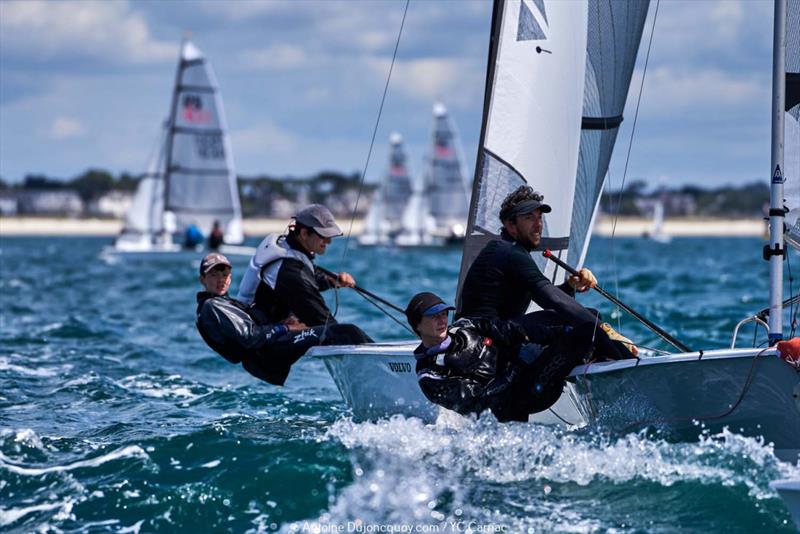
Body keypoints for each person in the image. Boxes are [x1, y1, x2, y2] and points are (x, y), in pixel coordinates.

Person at [407, 292, 595, 421]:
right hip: (518, 399)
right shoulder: (430, 375)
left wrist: (554, 333)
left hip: (524, 367)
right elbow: (476, 403)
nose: (441, 321)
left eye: (443, 314)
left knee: (586, 317)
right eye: (433, 317)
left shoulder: (464, 327)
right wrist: (517, 369)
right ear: (417, 325)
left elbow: (508, 331)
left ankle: (602, 360)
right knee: (584, 334)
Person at [197, 252, 372, 386]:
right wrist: (286, 328)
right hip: (266, 354)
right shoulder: (213, 306)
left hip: (268, 348)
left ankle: (329, 281)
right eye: (214, 275)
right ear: (202, 279)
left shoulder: (225, 303)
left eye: (225, 274)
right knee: (346, 332)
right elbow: (251, 338)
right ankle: (384, 365)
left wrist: (329, 281)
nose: (221, 280)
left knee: (278, 285)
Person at [237, 204, 358, 327]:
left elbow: (308, 277)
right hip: (259, 332)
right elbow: (322, 321)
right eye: (324, 235)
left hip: (270, 322)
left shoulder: (286, 245)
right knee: (347, 332)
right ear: (304, 233)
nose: (329, 241)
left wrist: (331, 280)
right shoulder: (290, 271)